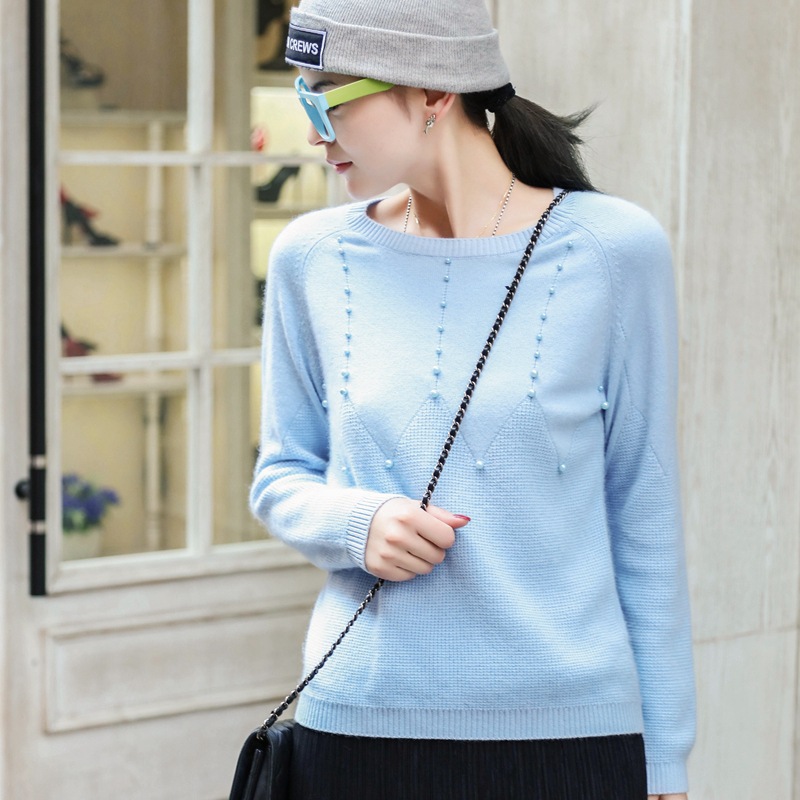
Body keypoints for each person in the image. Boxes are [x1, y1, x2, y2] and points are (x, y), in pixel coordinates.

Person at [250, 1, 696, 798]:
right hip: (359, 728)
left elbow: (644, 510)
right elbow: (281, 475)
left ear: (433, 91)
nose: (315, 134)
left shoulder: (612, 251)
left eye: (329, 101)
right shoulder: (309, 259)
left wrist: (664, 758)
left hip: (570, 735)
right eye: (302, 101)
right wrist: (358, 524)